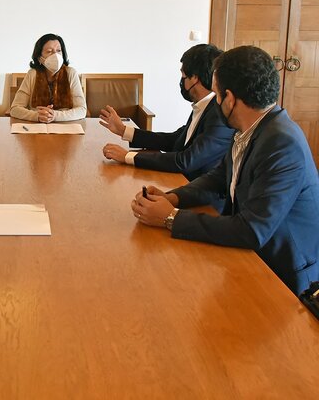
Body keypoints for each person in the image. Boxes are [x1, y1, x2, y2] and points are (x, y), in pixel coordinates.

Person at [131, 46, 319, 296]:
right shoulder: (251, 127)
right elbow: (219, 178)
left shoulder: (282, 143)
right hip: (250, 258)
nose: (215, 101)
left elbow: (252, 230)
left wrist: (171, 217)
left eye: (216, 93)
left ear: (229, 99)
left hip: (283, 276)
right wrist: (172, 197)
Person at [100, 44, 234, 181]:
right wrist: (123, 130)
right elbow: (174, 140)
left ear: (195, 78)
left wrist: (127, 156)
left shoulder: (218, 116)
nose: (181, 81)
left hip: (194, 188)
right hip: (182, 182)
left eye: (183, 75)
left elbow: (185, 161)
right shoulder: (204, 106)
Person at [10, 33, 87, 123]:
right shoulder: (32, 74)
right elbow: (15, 109)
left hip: (66, 125)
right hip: (36, 127)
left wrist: (54, 115)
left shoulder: (71, 73)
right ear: (39, 57)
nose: (56, 55)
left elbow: (81, 110)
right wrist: (37, 116)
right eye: (49, 51)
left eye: (59, 50)